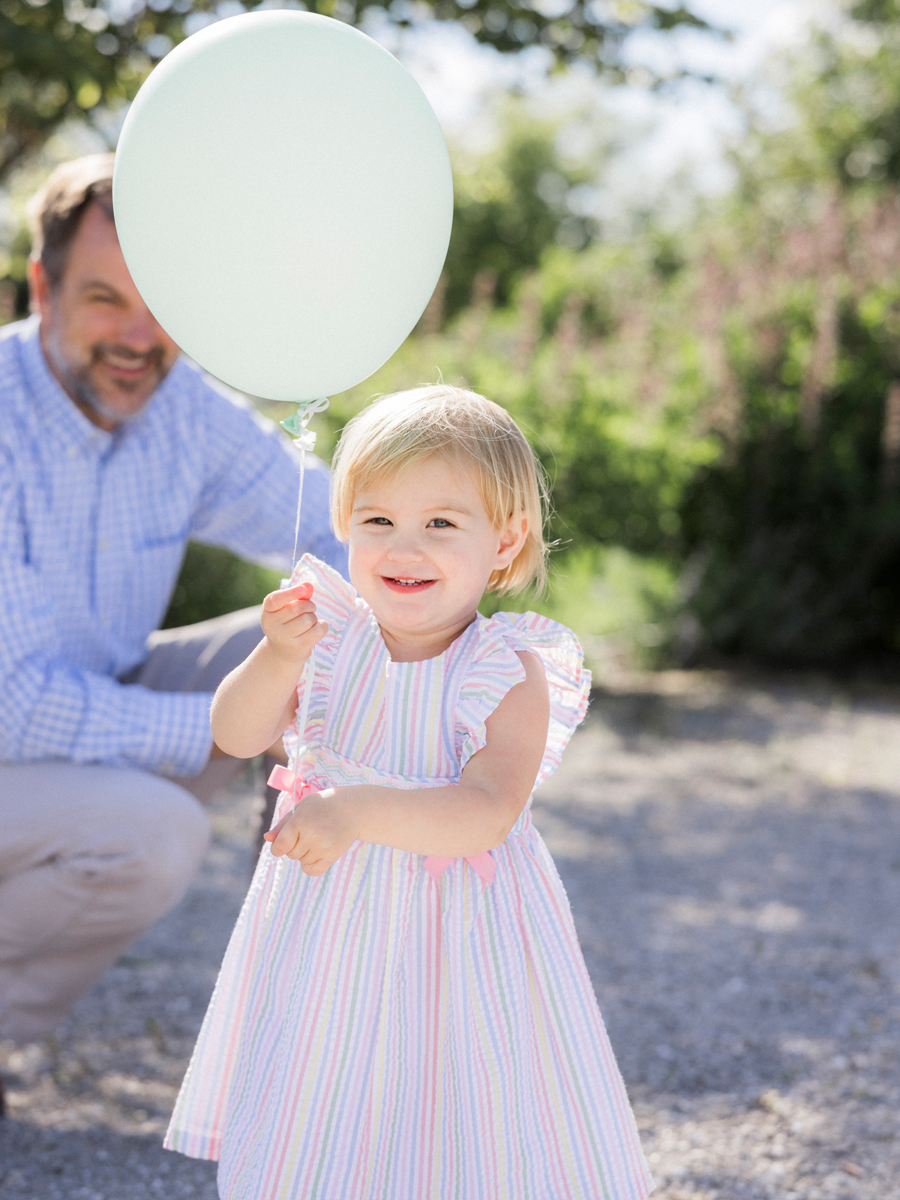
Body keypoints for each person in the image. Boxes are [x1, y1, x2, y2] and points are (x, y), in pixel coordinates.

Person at [164, 386, 654, 1200]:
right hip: (328, 929)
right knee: (321, 1087)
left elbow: (486, 812)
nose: (404, 547)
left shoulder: (504, 670)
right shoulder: (328, 633)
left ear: (505, 540)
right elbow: (236, 732)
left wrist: (354, 810)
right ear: (345, 526)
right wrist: (276, 659)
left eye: (441, 524)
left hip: (456, 935)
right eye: (378, 521)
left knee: (453, 1109)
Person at [0, 154, 347, 1057]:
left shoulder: (181, 410)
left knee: (329, 634)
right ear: (42, 285)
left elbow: (332, 524)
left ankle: (338, 1003)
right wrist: (233, 722)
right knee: (154, 833)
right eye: (105, 297)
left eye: (160, 302)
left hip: (83, 712)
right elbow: (17, 706)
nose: (137, 334)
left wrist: (435, 585)